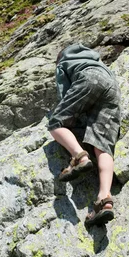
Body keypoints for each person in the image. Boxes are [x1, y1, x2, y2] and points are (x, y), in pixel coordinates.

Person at [48, 43, 121, 226]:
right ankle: (105, 200)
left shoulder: (64, 63)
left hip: (88, 80)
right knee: (103, 144)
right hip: (111, 87)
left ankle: (79, 158)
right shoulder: (95, 60)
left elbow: (64, 93)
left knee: (56, 124)